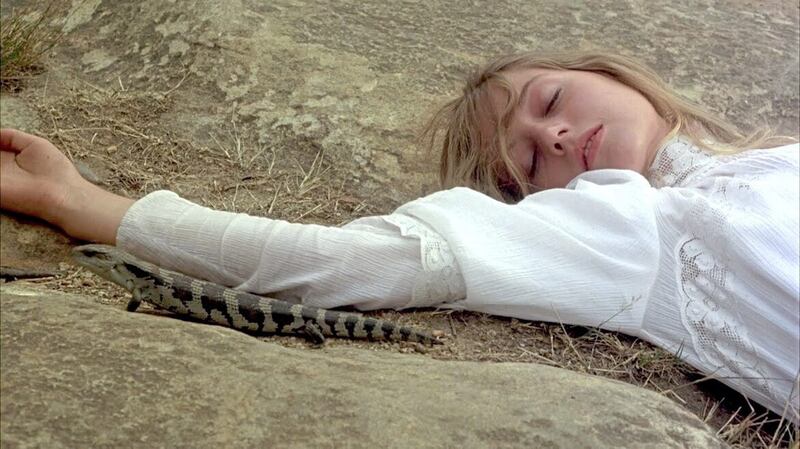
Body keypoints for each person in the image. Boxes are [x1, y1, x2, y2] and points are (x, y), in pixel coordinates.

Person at [1, 51, 797, 421]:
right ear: (536, 208)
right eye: (522, 160)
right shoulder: (620, 224)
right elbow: (345, 261)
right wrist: (81, 204)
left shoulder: (773, 163)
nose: (551, 133)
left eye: (550, 96)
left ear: (613, 71)